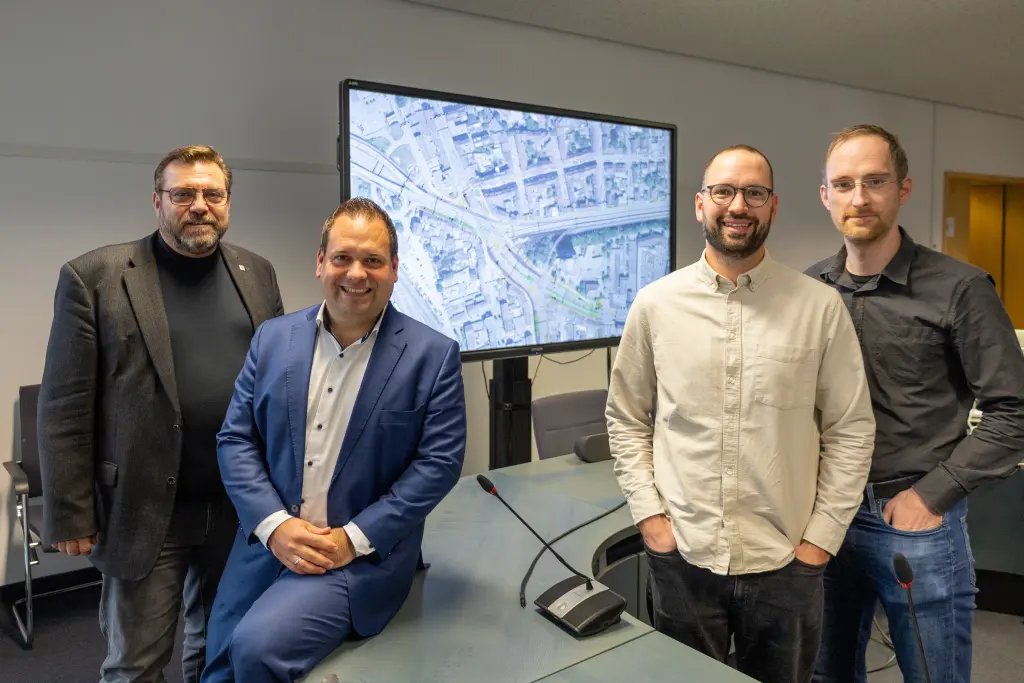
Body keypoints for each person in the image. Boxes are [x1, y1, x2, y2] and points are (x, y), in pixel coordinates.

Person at [606, 145, 876, 683]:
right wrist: (652, 521)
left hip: (787, 564)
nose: (739, 205)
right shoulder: (655, 305)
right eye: (724, 192)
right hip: (683, 555)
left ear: (772, 207)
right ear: (702, 204)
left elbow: (850, 430)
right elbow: (627, 418)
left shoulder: (819, 308)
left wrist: (820, 542)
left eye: (754, 193)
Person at [37, 145, 285, 682]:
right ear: (158, 201)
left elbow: (277, 382)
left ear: (227, 201)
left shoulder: (256, 272)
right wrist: (71, 513)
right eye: (183, 194)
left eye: (211, 194)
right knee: (136, 662)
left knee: (220, 644)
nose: (199, 205)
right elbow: (63, 404)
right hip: (146, 505)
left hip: (236, 502)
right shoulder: (95, 277)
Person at [201, 197, 467, 683]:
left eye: (373, 261)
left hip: (355, 558)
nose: (356, 274)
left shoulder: (433, 357)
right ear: (320, 261)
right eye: (343, 257)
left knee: (257, 650)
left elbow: (439, 464)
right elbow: (236, 439)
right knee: (215, 663)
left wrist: (353, 539)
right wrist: (275, 525)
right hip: (270, 540)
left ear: (394, 269)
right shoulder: (272, 339)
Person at [808, 124, 1024, 683]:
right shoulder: (809, 292)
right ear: (825, 195)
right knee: (825, 674)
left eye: (875, 181)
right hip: (823, 518)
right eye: (845, 183)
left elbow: (1014, 411)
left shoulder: (960, 288)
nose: (860, 198)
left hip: (912, 520)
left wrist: (932, 495)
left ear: (904, 189)